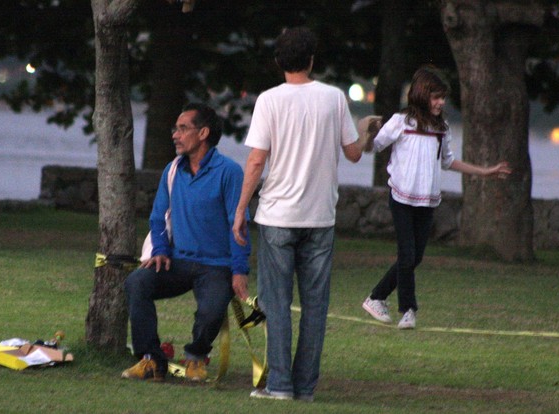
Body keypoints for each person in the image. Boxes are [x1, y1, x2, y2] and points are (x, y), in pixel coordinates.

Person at [232, 27, 369, 402]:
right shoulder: (333, 98)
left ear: (279, 61)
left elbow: (257, 160)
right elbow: (354, 153)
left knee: (276, 306)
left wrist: (241, 209)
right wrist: (364, 130)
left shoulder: (269, 100)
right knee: (315, 308)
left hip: (277, 216)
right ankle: (305, 387)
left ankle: (280, 385)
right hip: (321, 217)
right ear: (312, 60)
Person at [361, 66, 512, 329]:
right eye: (435, 97)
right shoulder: (400, 122)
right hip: (401, 199)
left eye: (442, 97)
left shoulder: (441, 129)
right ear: (421, 94)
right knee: (407, 256)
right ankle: (408, 310)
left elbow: (448, 162)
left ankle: (376, 297)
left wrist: (485, 171)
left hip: (427, 201)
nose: (441, 102)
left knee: (414, 258)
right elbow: (372, 147)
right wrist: (366, 131)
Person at [122, 102, 251, 382]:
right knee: (136, 282)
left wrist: (239, 270)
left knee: (212, 310)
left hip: (216, 266)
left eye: (182, 128)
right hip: (177, 261)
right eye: (175, 129)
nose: (175, 135)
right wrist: (159, 250)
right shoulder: (172, 170)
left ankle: (195, 357)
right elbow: (158, 218)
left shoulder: (230, 172)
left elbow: (238, 224)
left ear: (203, 133)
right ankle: (151, 360)